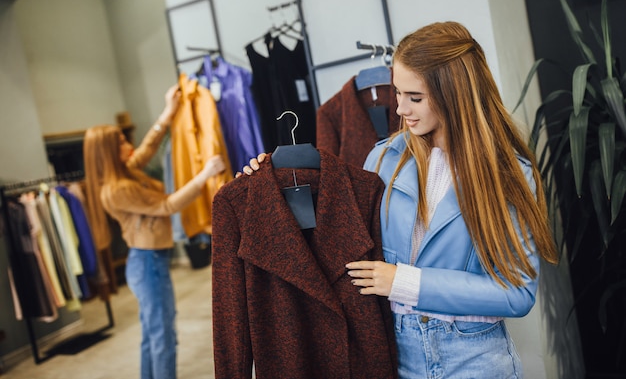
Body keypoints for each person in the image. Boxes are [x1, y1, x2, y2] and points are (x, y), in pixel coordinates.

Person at [241, 21, 559, 378]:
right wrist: (271, 187)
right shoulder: (381, 160)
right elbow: (332, 242)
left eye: (415, 98)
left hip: (475, 359)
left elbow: (517, 293)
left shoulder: (507, 175)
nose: (400, 109)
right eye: (397, 93)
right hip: (394, 355)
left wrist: (403, 283)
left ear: (455, 94)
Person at [83, 84, 226, 379]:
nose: (128, 146)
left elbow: (147, 147)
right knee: (163, 336)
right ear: (109, 153)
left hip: (148, 262)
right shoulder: (117, 189)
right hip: (148, 264)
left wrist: (168, 111)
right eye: (121, 143)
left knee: (153, 333)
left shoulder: (124, 173)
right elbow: (167, 205)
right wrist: (205, 175)